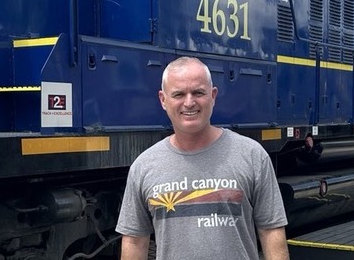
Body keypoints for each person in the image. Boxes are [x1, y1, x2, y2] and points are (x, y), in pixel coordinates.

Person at [116, 56, 289, 260]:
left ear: (213, 95)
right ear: (163, 100)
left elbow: (271, 232)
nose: (189, 102)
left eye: (198, 92)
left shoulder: (251, 155)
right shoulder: (144, 167)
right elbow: (135, 241)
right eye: (179, 94)